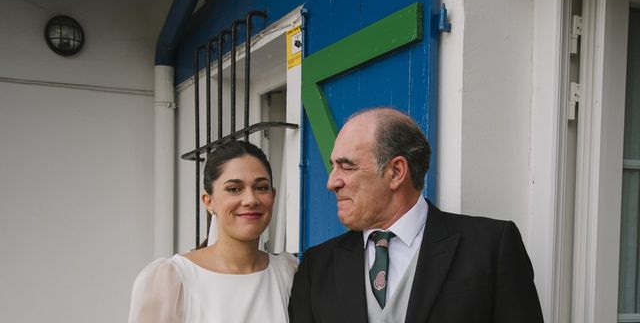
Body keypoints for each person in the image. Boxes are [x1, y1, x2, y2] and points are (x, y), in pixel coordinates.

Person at [288, 107, 543, 322]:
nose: (332, 182)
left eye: (347, 166)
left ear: (397, 172)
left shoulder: (491, 248)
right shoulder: (316, 266)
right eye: (334, 167)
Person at [129, 140, 297, 322]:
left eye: (261, 187)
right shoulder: (171, 281)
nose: (250, 200)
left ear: (273, 195)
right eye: (234, 189)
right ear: (208, 201)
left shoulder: (287, 273)